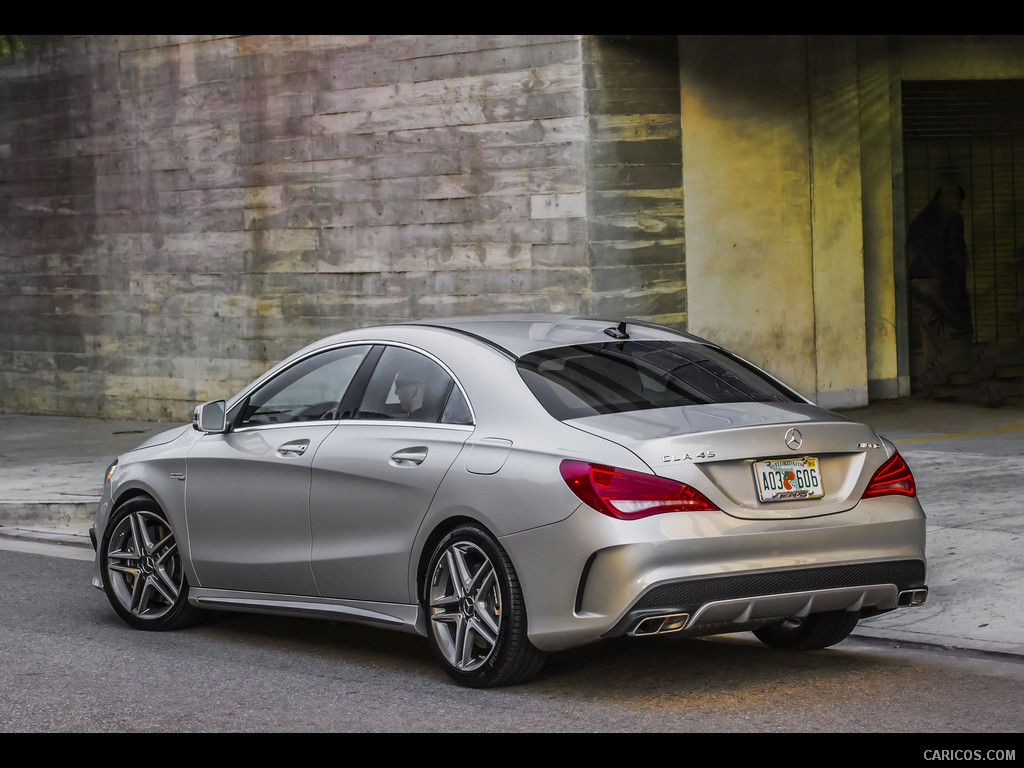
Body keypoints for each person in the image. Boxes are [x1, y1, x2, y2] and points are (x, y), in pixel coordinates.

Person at [908, 183, 974, 396]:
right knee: (962, 334)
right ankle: (934, 378)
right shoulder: (952, 218)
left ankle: (934, 388)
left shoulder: (919, 220)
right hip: (939, 281)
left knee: (931, 333)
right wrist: (959, 295)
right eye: (959, 203)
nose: (960, 208)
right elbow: (956, 258)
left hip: (916, 281)